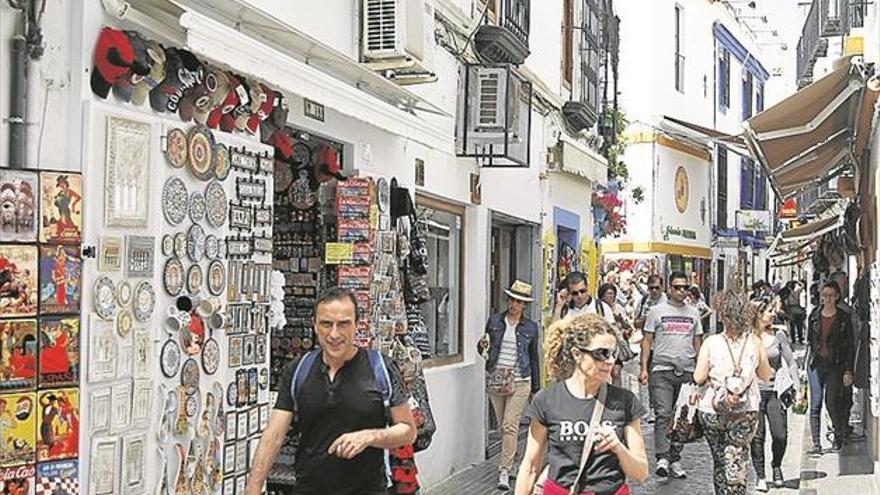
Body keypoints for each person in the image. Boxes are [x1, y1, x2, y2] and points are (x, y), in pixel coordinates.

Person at [244, 287, 416, 495]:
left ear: (357, 325)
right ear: (315, 325)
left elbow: (408, 431)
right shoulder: (299, 369)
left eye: (343, 324)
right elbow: (274, 435)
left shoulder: (380, 368)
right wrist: (253, 487)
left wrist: (370, 436)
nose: (334, 334)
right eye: (326, 324)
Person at [515, 314, 649, 495]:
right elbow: (530, 466)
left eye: (613, 354)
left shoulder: (625, 401)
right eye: (601, 354)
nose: (609, 361)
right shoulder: (547, 400)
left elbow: (641, 473)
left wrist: (618, 447)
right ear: (577, 354)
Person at [694, 289, 772, 495]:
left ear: (722, 315)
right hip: (745, 411)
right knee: (737, 458)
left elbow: (698, 377)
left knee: (720, 460)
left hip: (713, 410)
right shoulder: (755, 342)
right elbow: (765, 375)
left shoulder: (711, 343)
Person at [477, 280, 541, 491]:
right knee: (502, 426)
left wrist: (535, 389)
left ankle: (504, 470)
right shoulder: (495, 321)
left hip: (521, 379)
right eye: (512, 300)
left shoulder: (530, 327)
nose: (514, 304)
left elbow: (533, 358)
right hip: (497, 378)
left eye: (519, 302)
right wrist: (482, 346)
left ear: (525, 306)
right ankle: (511, 462)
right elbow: (485, 347)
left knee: (509, 425)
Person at [639, 271, 703, 479]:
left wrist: (702, 371)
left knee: (683, 418)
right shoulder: (656, 312)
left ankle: (675, 458)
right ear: (669, 288)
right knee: (663, 414)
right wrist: (643, 368)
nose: (681, 291)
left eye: (685, 287)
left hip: (687, 371)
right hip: (661, 370)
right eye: (677, 287)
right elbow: (647, 341)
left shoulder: (693, 313)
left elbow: (697, 342)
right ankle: (662, 457)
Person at [749, 296, 799, 491]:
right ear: (759, 314)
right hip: (754, 393)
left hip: (775, 392)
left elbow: (791, 361)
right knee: (757, 436)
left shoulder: (779, 336)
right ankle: (760, 476)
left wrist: (797, 386)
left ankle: (776, 465)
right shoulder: (748, 338)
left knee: (780, 435)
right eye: (769, 311)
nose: (773, 313)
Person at [806, 281, 855, 454]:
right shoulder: (813, 316)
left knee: (832, 401)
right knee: (815, 403)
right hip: (816, 364)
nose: (828, 299)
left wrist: (849, 370)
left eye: (831, 295)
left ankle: (838, 432)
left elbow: (850, 346)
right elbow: (810, 342)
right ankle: (816, 443)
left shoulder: (843, 318)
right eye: (825, 295)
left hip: (835, 365)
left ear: (837, 297)